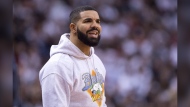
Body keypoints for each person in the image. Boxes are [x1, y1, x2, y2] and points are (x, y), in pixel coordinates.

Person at [39, 5, 107, 107]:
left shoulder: (96, 60)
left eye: (98, 21)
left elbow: (100, 103)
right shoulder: (58, 66)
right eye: (88, 21)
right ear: (73, 27)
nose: (95, 25)